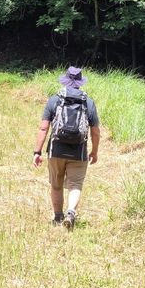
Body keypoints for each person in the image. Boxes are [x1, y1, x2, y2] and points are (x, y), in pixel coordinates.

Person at [33, 67, 100, 230]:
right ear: (80, 83)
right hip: (79, 152)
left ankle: (58, 217)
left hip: (56, 151)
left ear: (66, 80)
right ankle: (70, 212)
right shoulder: (88, 102)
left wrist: (37, 151)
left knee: (56, 185)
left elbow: (43, 128)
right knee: (75, 185)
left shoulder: (54, 100)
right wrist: (94, 151)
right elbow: (95, 131)